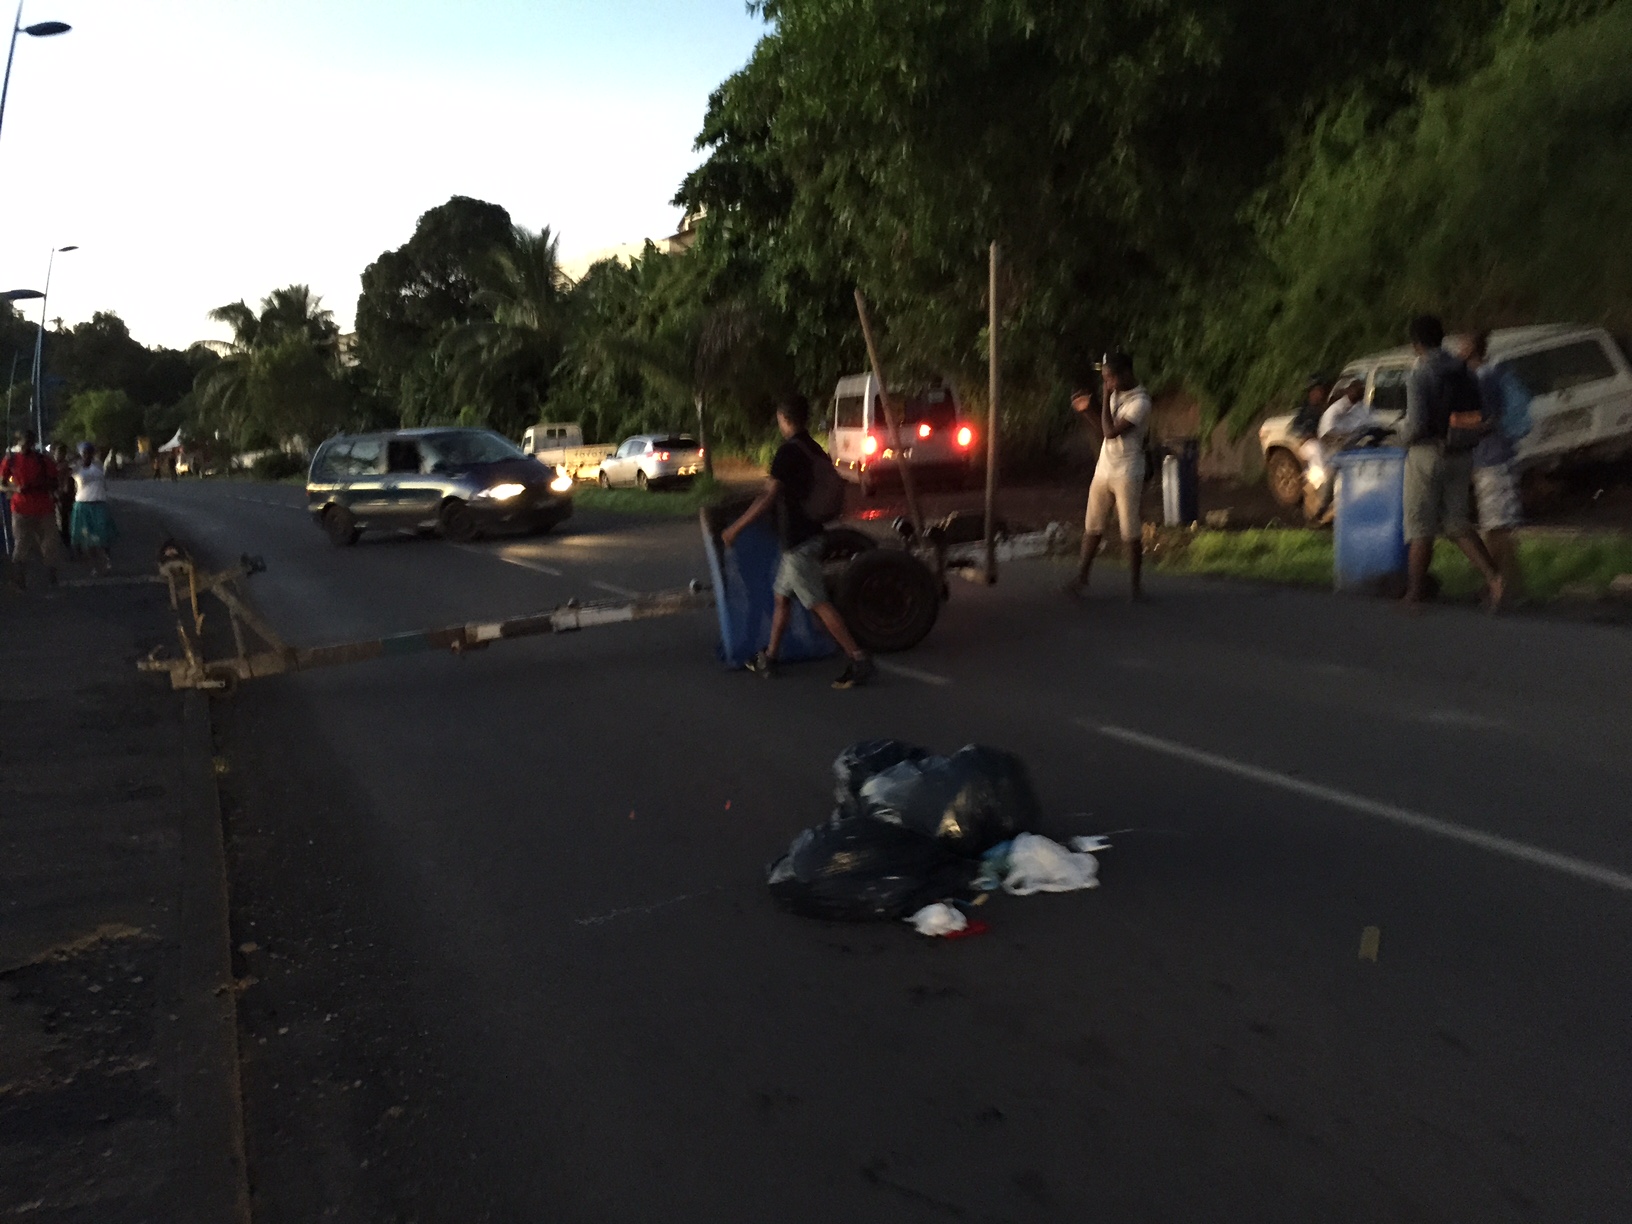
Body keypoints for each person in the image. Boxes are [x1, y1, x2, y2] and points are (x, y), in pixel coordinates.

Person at [720, 394, 875, 689]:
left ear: (783, 418)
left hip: (800, 542)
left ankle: (858, 658)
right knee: (782, 598)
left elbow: (768, 497)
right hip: (806, 538)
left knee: (818, 603)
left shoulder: (788, 453)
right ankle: (770, 657)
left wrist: (735, 528)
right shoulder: (813, 448)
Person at [1400, 315, 1503, 608]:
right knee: (1458, 522)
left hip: (1427, 455)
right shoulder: (1465, 371)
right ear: (1442, 338)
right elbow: (1480, 411)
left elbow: (1416, 425)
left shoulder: (1419, 374)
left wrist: (1398, 433)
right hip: (1462, 452)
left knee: (1420, 525)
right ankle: (1494, 578)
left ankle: (1415, 594)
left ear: (1416, 344)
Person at [1064, 351, 1151, 601]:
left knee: (1129, 530)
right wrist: (1086, 410)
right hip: (1105, 468)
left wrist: (1102, 400)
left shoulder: (1141, 402)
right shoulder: (1116, 394)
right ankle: (1081, 577)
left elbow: (1112, 431)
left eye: (1111, 378)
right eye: (1105, 379)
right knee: (1092, 525)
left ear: (1126, 374)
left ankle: (1135, 587)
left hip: (1128, 471)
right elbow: (1104, 431)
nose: (1108, 384)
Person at [1455, 330, 1531, 600]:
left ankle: (1503, 587)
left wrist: (1453, 423)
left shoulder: (1484, 379)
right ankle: (1504, 585)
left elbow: (1485, 420)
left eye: (1462, 343)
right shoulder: (1490, 375)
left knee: (1497, 527)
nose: (1458, 348)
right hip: (1496, 457)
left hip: (1492, 460)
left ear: (1472, 348)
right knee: (1497, 526)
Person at [0, 430, 64, 590]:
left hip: (44, 508)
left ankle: (52, 577)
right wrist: (16, 488)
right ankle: (19, 579)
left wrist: (39, 485)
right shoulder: (11, 461)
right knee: (21, 545)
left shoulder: (43, 461)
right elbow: (2, 484)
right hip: (21, 509)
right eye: (24, 442)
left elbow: (55, 482)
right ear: (18, 442)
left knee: (49, 544)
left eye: (29, 442)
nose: (26, 445)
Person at [1306, 377, 1374, 517]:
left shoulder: (1363, 409)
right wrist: (1342, 438)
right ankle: (1324, 505)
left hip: (1359, 446)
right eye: (1355, 388)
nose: (1358, 391)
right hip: (1336, 450)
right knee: (1334, 465)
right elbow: (1326, 437)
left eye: (1361, 388)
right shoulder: (1335, 410)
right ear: (1348, 390)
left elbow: (1370, 425)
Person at [70, 442, 116, 575]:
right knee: (87, 538)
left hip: (99, 503)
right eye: (84, 453)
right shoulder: (76, 468)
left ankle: (106, 560)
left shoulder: (99, 466)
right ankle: (94, 565)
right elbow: (62, 470)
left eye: (89, 453)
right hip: (83, 504)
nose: (87, 456)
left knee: (103, 535)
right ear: (81, 454)